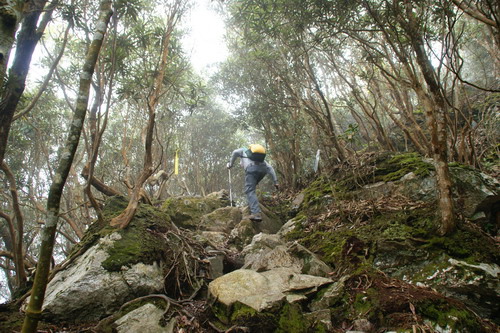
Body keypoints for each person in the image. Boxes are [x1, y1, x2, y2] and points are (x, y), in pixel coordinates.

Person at [227, 144, 279, 221]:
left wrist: (230, 164)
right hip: (263, 170)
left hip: (252, 169)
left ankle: (256, 214)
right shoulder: (261, 159)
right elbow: (270, 168)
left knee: (250, 190)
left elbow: (235, 152)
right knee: (252, 188)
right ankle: (253, 206)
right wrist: (275, 181)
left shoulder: (243, 150)